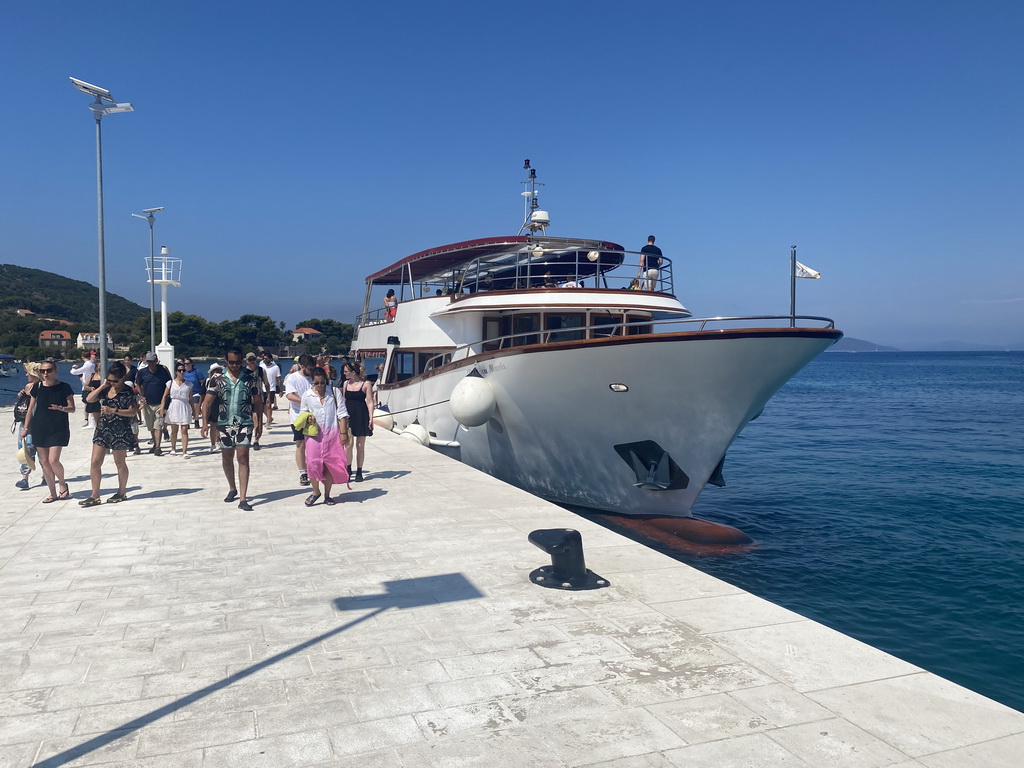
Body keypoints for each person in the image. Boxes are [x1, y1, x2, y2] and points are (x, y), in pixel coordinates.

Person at [202, 349, 263, 511]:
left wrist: (260, 423)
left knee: (243, 457)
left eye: (237, 362)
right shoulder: (218, 378)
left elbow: (258, 402)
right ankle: (232, 488)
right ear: (226, 361)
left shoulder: (251, 377)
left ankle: (243, 498)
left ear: (242, 361)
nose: (235, 365)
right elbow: (207, 402)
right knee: (227, 457)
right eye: (231, 362)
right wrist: (204, 423)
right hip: (224, 423)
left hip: (245, 421)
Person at [80, 362, 138, 506]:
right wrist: (103, 385)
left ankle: (121, 492)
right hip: (103, 428)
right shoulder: (106, 389)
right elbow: (89, 399)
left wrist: (114, 411)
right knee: (95, 462)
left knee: (119, 462)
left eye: (115, 381)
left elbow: (133, 411)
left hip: (120, 430)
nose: (112, 383)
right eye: (110, 380)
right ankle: (95, 495)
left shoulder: (128, 391)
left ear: (122, 378)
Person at [19, 361, 75, 503]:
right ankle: (52, 493)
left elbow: (72, 408)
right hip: (40, 427)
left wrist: (61, 408)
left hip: (58, 427)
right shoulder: (36, 387)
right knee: (44, 462)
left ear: (55, 371)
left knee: (53, 460)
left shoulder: (64, 387)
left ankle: (62, 483)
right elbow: (31, 409)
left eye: (49, 370)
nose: (45, 373)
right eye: (43, 371)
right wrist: (25, 428)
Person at [299, 368, 350, 506]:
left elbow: (342, 413)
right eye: (317, 383)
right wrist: (308, 418)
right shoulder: (307, 396)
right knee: (312, 464)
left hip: (332, 435)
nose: (320, 386)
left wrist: (343, 433)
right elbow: (303, 413)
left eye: (322, 382)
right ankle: (316, 491)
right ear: (312, 382)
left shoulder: (334, 392)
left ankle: (327, 495)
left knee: (329, 465)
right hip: (313, 436)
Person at [284, 354, 315, 486]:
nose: (312, 370)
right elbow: (290, 395)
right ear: (303, 366)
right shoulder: (293, 378)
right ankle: (303, 472)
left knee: (314, 444)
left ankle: (314, 469)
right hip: (298, 416)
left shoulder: (314, 377)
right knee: (301, 444)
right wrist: (306, 401)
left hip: (314, 417)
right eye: (310, 368)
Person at [341, 360, 374, 483]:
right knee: (347, 446)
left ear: (353, 372)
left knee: (360, 446)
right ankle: (348, 469)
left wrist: (371, 418)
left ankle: (359, 470)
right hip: (348, 416)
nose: (344, 373)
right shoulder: (345, 384)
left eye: (346, 371)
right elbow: (343, 400)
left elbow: (370, 401)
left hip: (361, 415)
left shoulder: (366, 384)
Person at [136, 352, 172, 455]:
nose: (151, 364)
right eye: (149, 362)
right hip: (147, 403)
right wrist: (141, 396)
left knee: (158, 425)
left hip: (160, 402)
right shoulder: (142, 372)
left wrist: (166, 398)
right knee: (150, 426)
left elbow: (169, 384)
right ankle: (155, 443)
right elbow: (138, 384)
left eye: (152, 362)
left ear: (156, 361)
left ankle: (158, 447)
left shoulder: (163, 370)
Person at [13, 362, 41, 490]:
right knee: (24, 450)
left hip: (38, 423)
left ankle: (47, 475)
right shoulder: (28, 386)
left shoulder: (42, 387)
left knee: (41, 451)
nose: (26, 375)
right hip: (25, 422)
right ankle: (25, 478)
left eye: (28, 373)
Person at [160, 363, 194, 458]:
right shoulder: (170, 383)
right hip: (174, 405)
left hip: (184, 405)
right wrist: (162, 408)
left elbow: (190, 398)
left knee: (184, 430)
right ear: (176, 372)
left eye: (183, 370)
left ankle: (184, 451)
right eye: (179, 370)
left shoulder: (189, 384)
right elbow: (164, 396)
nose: (182, 372)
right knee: (174, 429)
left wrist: (194, 411)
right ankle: (173, 448)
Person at [244, 352, 270, 450]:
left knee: (258, 419)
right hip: (246, 398)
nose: (252, 361)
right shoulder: (244, 371)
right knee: (247, 420)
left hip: (258, 397)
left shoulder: (260, 370)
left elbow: (266, 384)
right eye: (250, 360)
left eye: (253, 359)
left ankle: (256, 439)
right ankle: (248, 437)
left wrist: (268, 397)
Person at [70, 350, 98, 428]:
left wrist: (73, 368)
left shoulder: (87, 365)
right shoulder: (93, 364)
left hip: (88, 386)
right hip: (92, 384)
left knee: (89, 403)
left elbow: (74, 372)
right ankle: (90, 421)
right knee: (90, 403)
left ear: (82, 357)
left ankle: (91, 422)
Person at [182, 358, 204, 429]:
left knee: (195, 404)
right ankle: (187, 421)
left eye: (187, 364)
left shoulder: (197, 372)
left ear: (191, 364)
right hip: (185, 392)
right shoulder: (183, 372)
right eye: (185, 364)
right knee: (186, 407)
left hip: (196, 392)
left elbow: (202, 382)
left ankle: (196, 419)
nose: (186, 365)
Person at [260, 352, 282, 424]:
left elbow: (278, 379)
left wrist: (281, 390)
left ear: (270, 359)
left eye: (266, 358)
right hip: (262, 388)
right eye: (264, 359)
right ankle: (270, 417)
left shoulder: (275, 367)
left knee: (269, 405)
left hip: (271, 388)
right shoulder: (261, 366)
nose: (265, 360)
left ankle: (268, 421)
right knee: (263, 407)